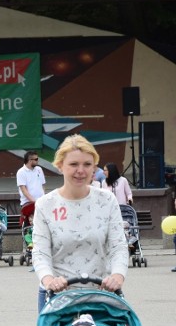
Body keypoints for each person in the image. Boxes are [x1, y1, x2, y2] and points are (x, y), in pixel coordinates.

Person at [32, 134, 128, 312]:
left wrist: (117, 276)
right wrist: (49, 280)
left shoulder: (107, 200)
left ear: (94, 167)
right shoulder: (45, 204)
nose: (81, 170)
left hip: (102, 293)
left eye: (87, 164)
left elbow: (118, 246)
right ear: (60, 166)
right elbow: (40, 253)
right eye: (73, 164)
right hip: (58, 296)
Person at [16, 151, 46, 226]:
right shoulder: (21, 172)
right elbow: (23, 190)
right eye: (36, 159)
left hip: (41, 201)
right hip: (28, 203)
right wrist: (34, 201)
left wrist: (43, 198)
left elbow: (43, 185)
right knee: (30, 224)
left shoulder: (39, 169)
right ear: (30, 160)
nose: (37, 161)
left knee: (43, 223)